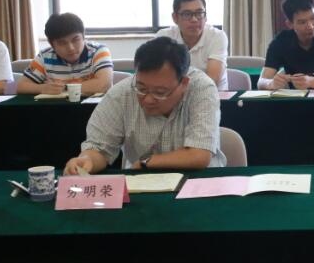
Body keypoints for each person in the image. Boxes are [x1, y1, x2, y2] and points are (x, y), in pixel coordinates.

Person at [63, 36, 225, 175]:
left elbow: (199, 155)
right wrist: (87, 160)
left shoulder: (202, 88)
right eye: (141, 88)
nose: (148, 99)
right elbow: (99, 149)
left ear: (183, 83)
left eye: (160, 92)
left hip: (199, 181)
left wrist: (147, 162)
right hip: (142, 183)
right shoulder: (121, 94)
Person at [16, 12, 113, 96]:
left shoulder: (99, 51)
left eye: (75, 39)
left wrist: (63, 88)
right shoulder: (44, 56)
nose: (71, 48)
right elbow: (20, 86)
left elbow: (104, 84)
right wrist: (42, 88)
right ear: (52, 44)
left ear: (83, 37)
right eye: (62, 43)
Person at [156, 0, 229, 90]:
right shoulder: (164, 37)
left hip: (213, 96)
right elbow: (157, 75)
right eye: (187, 14)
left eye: (199, 13)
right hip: (174, 96)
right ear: (175, 18)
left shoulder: (217, 37)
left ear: (205, 16)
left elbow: (212, 81)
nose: (194, 19)